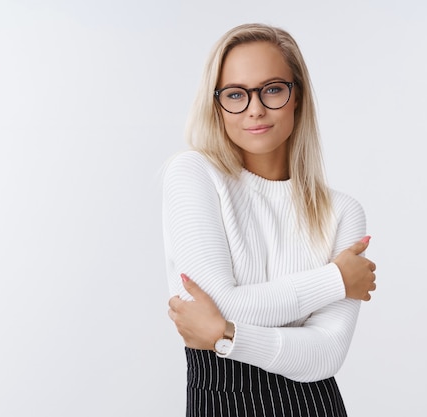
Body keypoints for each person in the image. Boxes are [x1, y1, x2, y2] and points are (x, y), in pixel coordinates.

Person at [162, 23, 377, 417]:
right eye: (235, 94)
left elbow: (327, 354)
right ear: (217, 105)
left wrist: (224, 335)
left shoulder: (342, 212)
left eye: (273, 89)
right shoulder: (193, 174)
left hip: (315, 406)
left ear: (298, 96)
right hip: (219, 404)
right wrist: (335, 279)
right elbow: (219, 303)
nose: (255, 108)